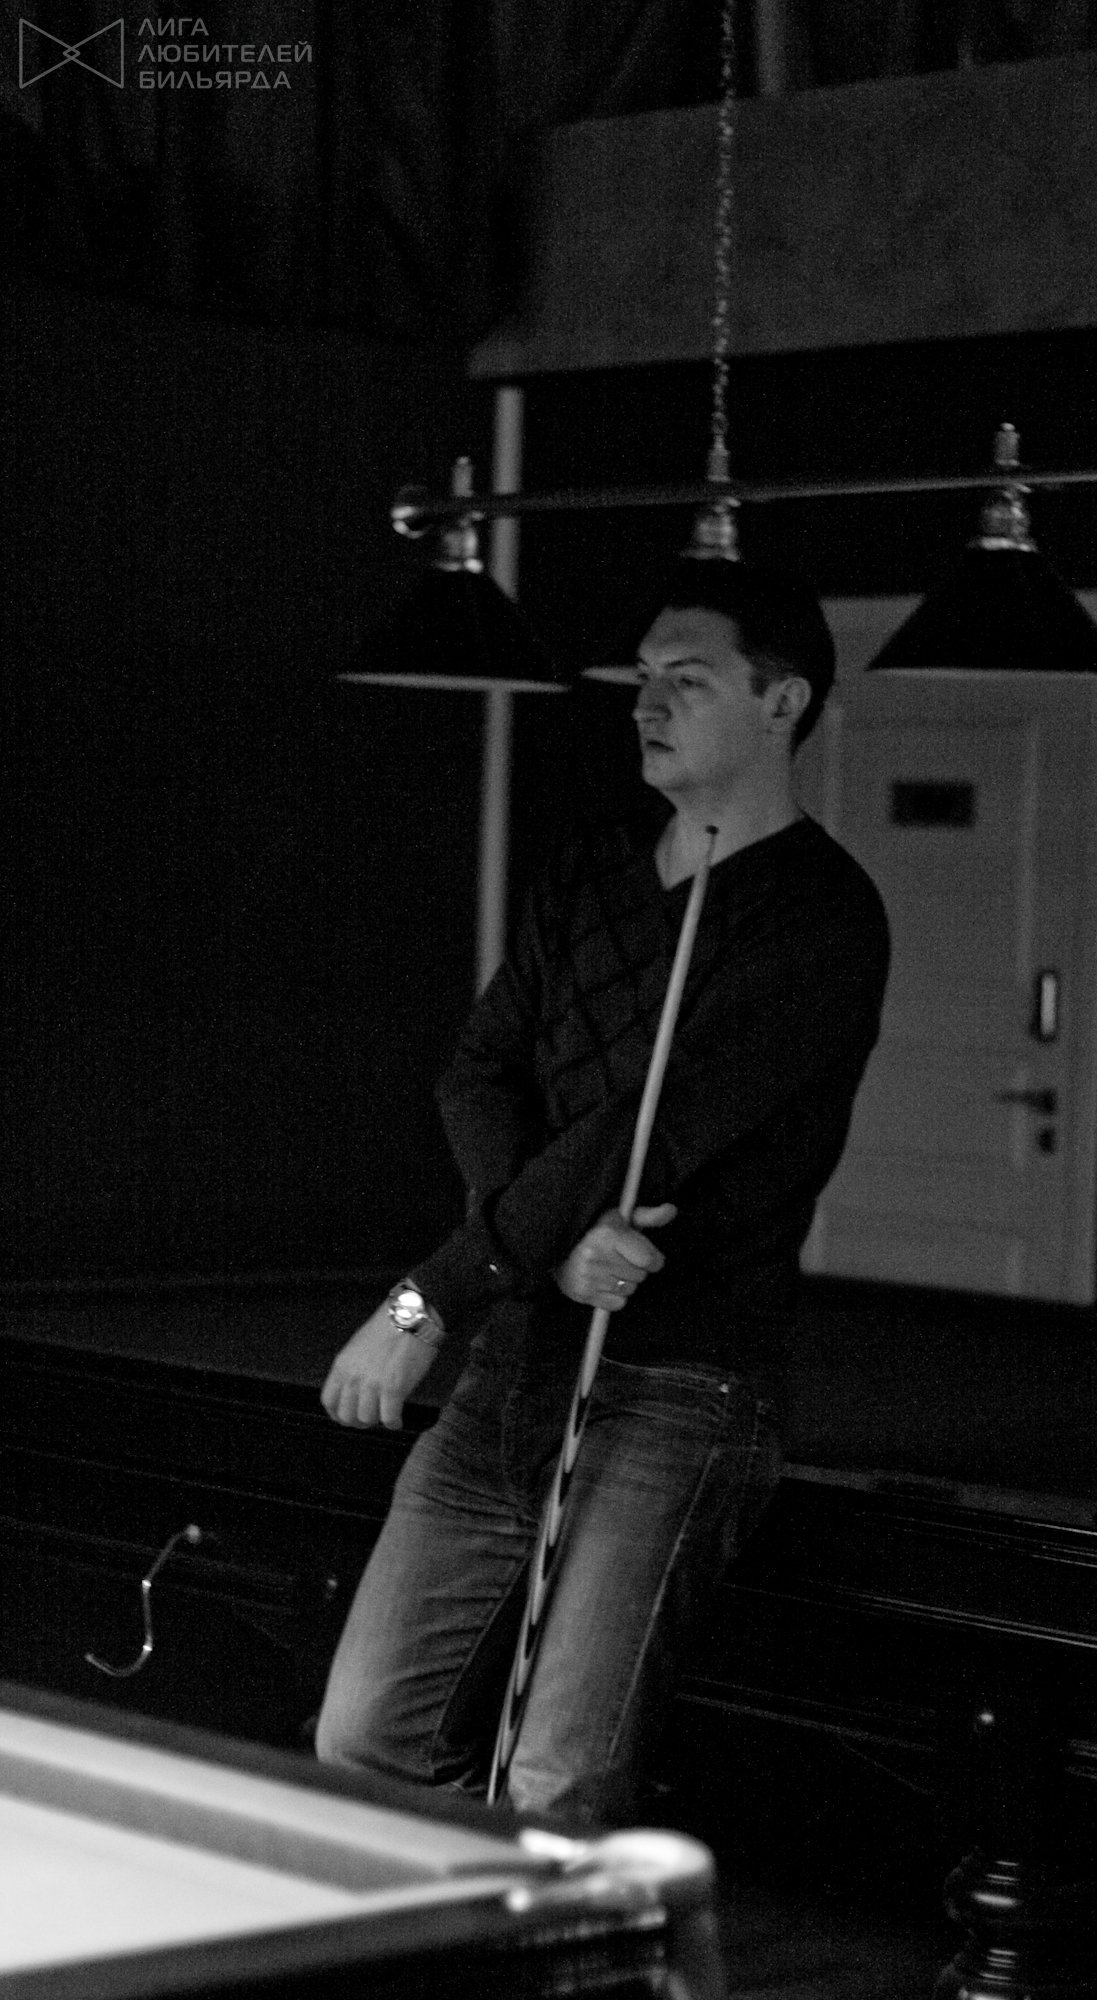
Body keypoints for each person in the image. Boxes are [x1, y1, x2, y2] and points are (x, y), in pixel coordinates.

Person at [316, 557, 889, 1827]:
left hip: (679, 1388)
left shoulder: (823, 918)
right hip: (513, 1367)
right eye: (642, 676)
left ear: (783, 700)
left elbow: (648, 1135)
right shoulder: (590, 867)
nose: (646, 703)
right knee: (362, 1738)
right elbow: (478, 1070)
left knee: (557, 1777)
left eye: (687, 679)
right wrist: (546, 1251)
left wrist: (422, 1299)